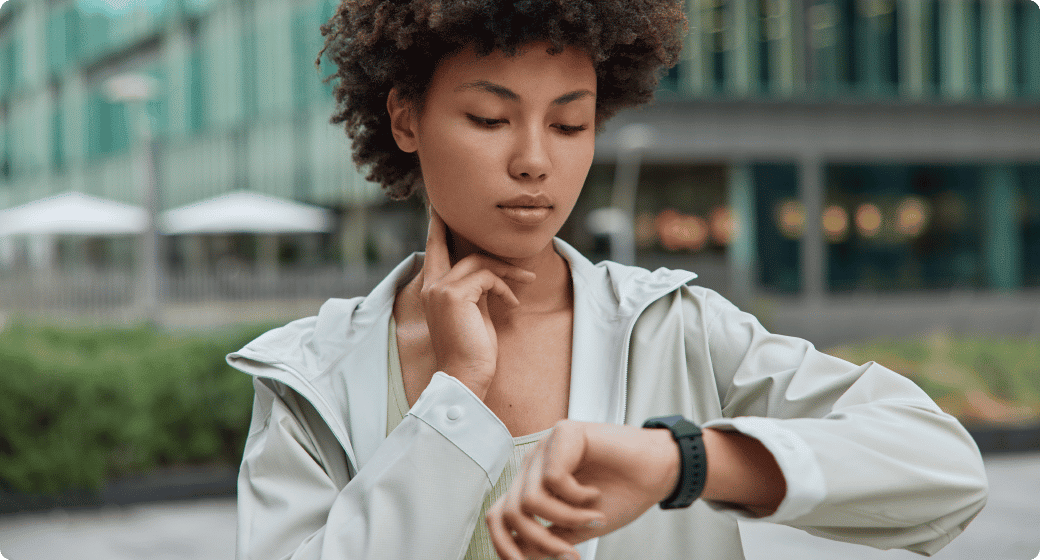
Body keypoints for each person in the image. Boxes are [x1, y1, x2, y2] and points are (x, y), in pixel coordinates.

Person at [227, 1, 988, 559]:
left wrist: (681, 463)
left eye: (569, 124)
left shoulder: (675, 326)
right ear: (405, 119)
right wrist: (454, 396)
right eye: (490, 119)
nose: (534, 160)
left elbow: (943, 473)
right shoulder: (311, 374)